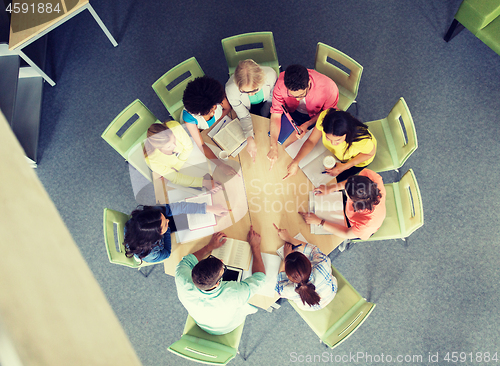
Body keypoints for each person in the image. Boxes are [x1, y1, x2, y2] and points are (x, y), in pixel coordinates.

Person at [175, 227, 266, 335]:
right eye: (223, 268)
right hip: (226, 328)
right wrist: (255, 246)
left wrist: (210, 247)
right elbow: (260, 277)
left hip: (201, 322)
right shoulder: (235, 294)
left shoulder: (181, 276)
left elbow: (188, 260)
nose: (222, 261)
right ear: (218, 283)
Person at [267, 64, 339, 169]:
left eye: (301, 95)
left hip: (315, 118)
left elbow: (328, 113)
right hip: (290, 113)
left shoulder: (329, 88)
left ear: (309, 84)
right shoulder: (281, 83)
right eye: (292, 95)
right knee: (284, 148)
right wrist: (273, 146)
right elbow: (276, 114)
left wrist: (308, 123)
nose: (297, 100)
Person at [284, 109, 377, 184]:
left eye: (338, 140)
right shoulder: (325, 117)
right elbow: (311, 141)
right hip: (337, 155)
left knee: (330, 182)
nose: (332, 143)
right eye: (328, 138)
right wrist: (296, 161)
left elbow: (369, 154)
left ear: (347, 134)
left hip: (356, 160)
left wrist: (345, 166)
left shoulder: (362, 140)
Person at [124, 203, 228, 263]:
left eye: (164, 218)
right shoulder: (151, 254)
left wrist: (207, 208)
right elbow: (166, 253)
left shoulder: (148, 217)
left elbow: (175, 208)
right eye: (165, 224)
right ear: (158, 235)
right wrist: (167, 229)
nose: (168, 221)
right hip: (149, 250)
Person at [299, 169, 386, 241]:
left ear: (354, 201)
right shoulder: (371, 178)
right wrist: (330, 188)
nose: (345, 190)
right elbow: (350, 184)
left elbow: (346, 233)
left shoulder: (366, 224)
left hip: (355, 227)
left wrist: (319, 222)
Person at [181, 76, 236, 176]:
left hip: (213, 129)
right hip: (204, 133)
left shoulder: (216, 96)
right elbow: (201, 145)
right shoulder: (189, 117)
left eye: (215, 107)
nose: (214, 112)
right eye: (210, 112)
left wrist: (215, 123)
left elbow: (227, 108)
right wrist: (221, 165)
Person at [273, 224, 337, 311]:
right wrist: (289, 238)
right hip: (330, 294)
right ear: (308, 262)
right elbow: (314, 250)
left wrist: (286, 257)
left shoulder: (289, 290)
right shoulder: (322, 264)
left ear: (288, 276)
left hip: (310, 307)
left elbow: (279, 287)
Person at [225, 59, 277, 162]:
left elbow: (272, 97)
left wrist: (265, 112)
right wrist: (249, 138)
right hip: (247, 107)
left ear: (262, 80)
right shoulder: (230, 89)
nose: (250, 94)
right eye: (244, 91)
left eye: (254, 90)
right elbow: (244, 116)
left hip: (267, 102)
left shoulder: (271, 75)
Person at [143, 121, 220, 191]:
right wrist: (205, 183)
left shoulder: (174, 127)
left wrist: (177, 166)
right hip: (181, 172)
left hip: (184, 162)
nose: (174, 146)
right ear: (158, 148)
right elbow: (176, 178)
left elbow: (189, 147)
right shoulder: (152, 160)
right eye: (169, 146)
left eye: (174, 140)